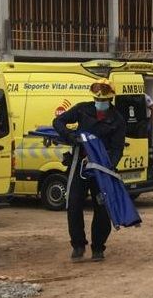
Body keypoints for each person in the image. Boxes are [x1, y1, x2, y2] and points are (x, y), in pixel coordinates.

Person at [52, 79, 127, 263]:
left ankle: (98, 248)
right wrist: (70, 136)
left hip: (102, 169)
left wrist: (109, 166)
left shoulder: (117, 119)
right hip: (79, 165)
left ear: (110, 100)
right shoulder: (82, 109)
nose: (99, 103)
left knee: (102, 208)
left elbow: (118, 148)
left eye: (103, 100)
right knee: (74, 204)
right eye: (96, 99)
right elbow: (58, 121)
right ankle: (78, 246)